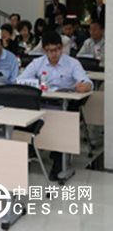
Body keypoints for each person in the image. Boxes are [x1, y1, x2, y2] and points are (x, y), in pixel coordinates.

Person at [18, 31, 92, 181]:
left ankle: (60, 160)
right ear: (44, 50)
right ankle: (31, 149)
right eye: (50, 50)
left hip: (65, 104)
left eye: (57, 49)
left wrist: (85, 86)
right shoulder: (38, 63)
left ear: (62, 47)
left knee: (61, 121)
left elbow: (87, 82)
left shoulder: (72, 63)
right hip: (42, 103)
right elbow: (20, 80)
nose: (54, 54)